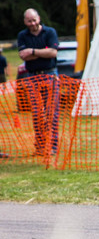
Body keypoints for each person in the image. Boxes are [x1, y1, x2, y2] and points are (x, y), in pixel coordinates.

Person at [17, 8, 60, 157]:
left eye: (34, 20)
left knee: (51, 112)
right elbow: (23, 56)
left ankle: (53, 146)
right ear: (25, 21)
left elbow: (53, 53)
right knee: (37, 113)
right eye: (29, 21)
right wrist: (43, 52)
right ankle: (41, 145)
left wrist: (33, 51)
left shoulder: (50, 32)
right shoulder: (22, 36)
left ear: (39, 18)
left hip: (50, 75)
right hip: (32, 77)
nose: (32, 23)